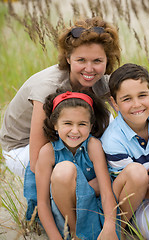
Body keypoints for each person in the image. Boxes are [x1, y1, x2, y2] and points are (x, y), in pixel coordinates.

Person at [0, 16, 121, 177]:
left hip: (67, 132)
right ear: (68, 58)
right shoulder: (48, 88)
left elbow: (127, 123)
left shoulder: (102, 80)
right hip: (24, 148)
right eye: (81, 60)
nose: (89, 69)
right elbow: (37, 162)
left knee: (111, 125)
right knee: (76, 168)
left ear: (107, 60)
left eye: (97, 60)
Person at [35, 88, 120, 240]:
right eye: (67, 123)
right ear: (55, 124)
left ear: (91, 125)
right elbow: (42, 203)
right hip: (63, 217)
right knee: (64, 170)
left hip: (91, 209)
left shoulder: (93, 146)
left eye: (82, 124)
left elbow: (106, 192)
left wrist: (109, 225)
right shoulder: (47, 152)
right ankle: (75, 234)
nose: (75, 131)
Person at [101, 63, 149, 240]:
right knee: (137, 173)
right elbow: (136, 187)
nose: (137, 104)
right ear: (114, 103)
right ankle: (125, 229)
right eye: (127, 99)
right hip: (137, 202)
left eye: (142, 95)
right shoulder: (113, 140)